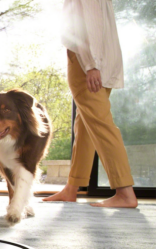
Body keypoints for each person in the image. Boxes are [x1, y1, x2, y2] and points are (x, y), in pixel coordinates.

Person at [44, 0, 137, 208]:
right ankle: (71, 188)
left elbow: (88, 23)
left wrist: (90, 64)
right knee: (86, 124)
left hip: (88, 61)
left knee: (102, 125)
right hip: (103, 60)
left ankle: (124, 192)